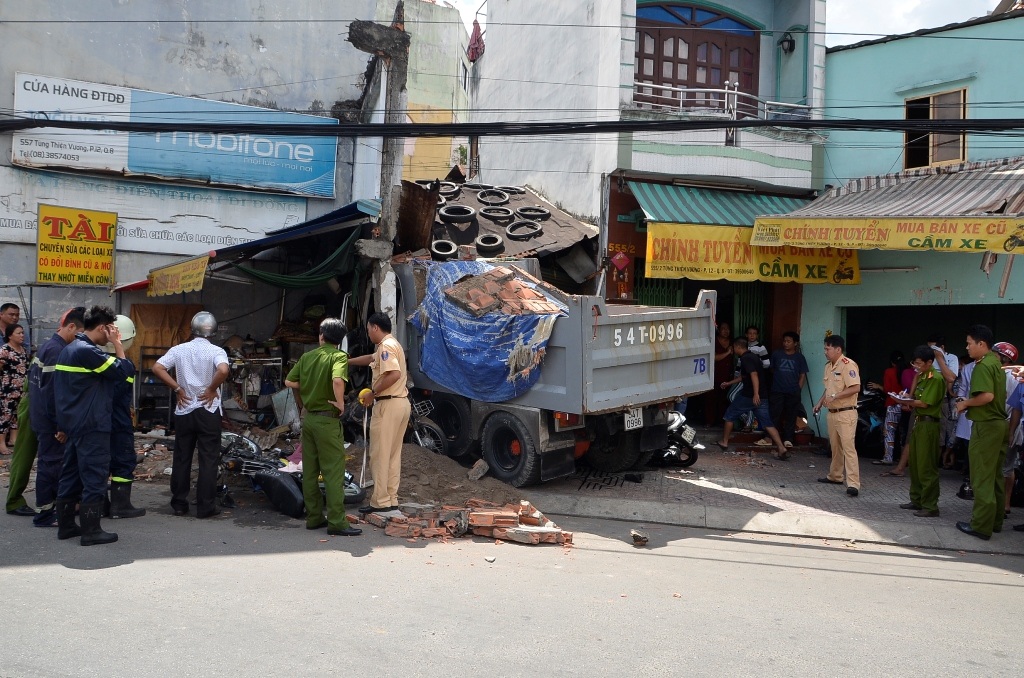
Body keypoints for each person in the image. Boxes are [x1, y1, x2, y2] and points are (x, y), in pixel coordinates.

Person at [53, 305, 134, 546]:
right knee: (95, 477)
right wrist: (118, 345)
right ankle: (91, 531)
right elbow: (123, 371)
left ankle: (67, 527)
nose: (113, 333)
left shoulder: (69, 349)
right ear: (102, 328)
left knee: (71, 476)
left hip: (74, 424)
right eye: (110, 329)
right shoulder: (87, 351)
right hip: (92, 425)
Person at [284, 317, 361, 536]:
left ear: (321, 335)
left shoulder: (308, 356)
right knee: (333, 472)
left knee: (310, 471)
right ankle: (337, 522)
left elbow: (289, 382)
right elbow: (338, 380)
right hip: (327, 421)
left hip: (308, 420)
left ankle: (314, 517)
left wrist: (308, 385)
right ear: (339, 340)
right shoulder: (338, 356)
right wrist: (340, 402)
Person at [6, 307, 84, 524]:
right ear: (69, 327)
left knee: (48, 462)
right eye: (79, 334)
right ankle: (43, 512)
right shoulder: (56, 351)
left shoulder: (51, 347)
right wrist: (59, 425)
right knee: (48, 463)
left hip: (36, 410)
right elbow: (51, 394)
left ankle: (47, 508)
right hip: (40, 413)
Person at [152, 311, 230, 519]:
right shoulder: (216, 351)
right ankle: (205, 507)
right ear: (212, 331)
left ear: (192, 329)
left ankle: (179, 503)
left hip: (185, 409)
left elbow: (157, 367)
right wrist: (212, 388)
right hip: (208, 410)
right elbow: (223, 370)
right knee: (208, 459)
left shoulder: (179, 350)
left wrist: (177, 389)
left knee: (182, 457)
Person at [348, 313, 410, 514]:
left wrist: (373, 394)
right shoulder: (392, 345)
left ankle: (380, 502)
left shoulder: (386, 347)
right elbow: (370, 359)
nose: (368, 333)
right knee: (392, 455)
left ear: (375, 328)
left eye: (368, 329)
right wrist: (348, 361)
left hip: (388, 405)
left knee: (380, 455)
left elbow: (394, 374)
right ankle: (391, 499)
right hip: (400, 404)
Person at [954, 325, 1007, 540]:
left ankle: (981, 526)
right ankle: (995, 522)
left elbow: (986, 396)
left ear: (981, 344)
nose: (967, 348)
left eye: (969, 343)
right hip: (999, 425)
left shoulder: (983, 366)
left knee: (981, 476)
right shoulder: (996, 362)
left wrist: (964, 403)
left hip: (986, 425)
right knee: (995, 476)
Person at [714, 337, 789, 460]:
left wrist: (755, 394)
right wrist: (729, 383)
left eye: (734, 347)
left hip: (749, 396)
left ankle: (724, 442)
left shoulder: (746, 358)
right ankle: (781, 447)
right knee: (768, 423)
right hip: (762, 396)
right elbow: (745, 377)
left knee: (729, 415)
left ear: (738, 347)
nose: (733, 350)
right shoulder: (753, 357)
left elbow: (753, 375)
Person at [103, 315, 146, 519]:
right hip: (118, 420)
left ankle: (101, 504)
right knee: (123, 461)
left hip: (99, 420)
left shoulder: (95, 359)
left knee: (101, 462)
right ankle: (120, 506)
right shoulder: (123, 365)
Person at [897, 346, 946, 517]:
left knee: (927, 466)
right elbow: (914, 397)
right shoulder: (922, 376)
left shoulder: (935, 378)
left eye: (918, 364)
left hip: (928, 424)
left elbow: (925, 403)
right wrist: (908, 396)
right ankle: (916, 499)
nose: (915, 366)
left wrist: (906, 400)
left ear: (929, 362)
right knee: (916, 464)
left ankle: (930, 505)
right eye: (914, 363)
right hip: (918, 422)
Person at [813, 335, 861, 497]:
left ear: (838, 349)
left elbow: (855, 387)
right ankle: (835, 476)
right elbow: (828, 388)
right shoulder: (829, 366)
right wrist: (820, 403)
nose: (825, 352)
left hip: (846, 412)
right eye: (825, 348)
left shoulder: (848, 365)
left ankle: (853, 483)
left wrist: (836, 396)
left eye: (828, 349)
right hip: (832, 413)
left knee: (848, 448)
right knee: (835, 446)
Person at [758, 331, 808, 450]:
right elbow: (772, 370)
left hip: (793, 391)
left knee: (791, 415)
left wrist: (798, 389)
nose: (786, 343)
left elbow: (802, 375)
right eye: (784, 341)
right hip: (777, 390)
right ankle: (769, 438)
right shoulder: (777, 354)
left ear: (795, 343)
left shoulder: (800, 357)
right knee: (774, 414)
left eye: (789, 341)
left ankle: (788, 439)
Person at [992, 342, 1019, 521]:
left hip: (1003, 425)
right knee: (1009, 467)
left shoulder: (1003, 375)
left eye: (995, 354)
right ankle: (1006, 504)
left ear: (1004, 357)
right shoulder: (1017, 375)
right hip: (1013, 427)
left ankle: (999, 506)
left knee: (1000, 468)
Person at [867, 350, 909, 466]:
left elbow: (887, 390)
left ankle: (888, 457)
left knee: (889, 431)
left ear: (892, 362)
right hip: (906, 404)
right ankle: (904, 460)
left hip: (893, 404)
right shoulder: (907, 371)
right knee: (904, 432)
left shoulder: (889, 371)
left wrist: (877, 386)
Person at [928, 334, 960, 473]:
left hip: (942, 401)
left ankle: (935, 463)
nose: (931, 351)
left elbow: (950, 377)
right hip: (926, 400)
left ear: (941, 347)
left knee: (941, 434)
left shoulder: (951, 358)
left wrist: (939, 358)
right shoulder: (927, 359)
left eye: (934, 348)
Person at [0, 323, 29, 455]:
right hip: (8, 389)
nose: (22, 335)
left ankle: (14, 440)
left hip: (21, 388)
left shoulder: (23, 350)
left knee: (16, 415)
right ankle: (1, 444)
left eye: (22, 333)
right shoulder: (5, 350)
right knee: (6, 415)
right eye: (18, 333)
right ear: (10, 335)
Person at [705, 322, 734, 427]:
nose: (726, 331)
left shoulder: (733, 343)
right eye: (723, 329)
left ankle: (722, 422)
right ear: (718, 330)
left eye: (728, 329)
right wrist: (727, 353)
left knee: (724, 400)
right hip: (713, 375)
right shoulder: (713, 341)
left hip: (728, 377)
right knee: (711, 400)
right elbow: (714, 358)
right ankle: (709, 421)